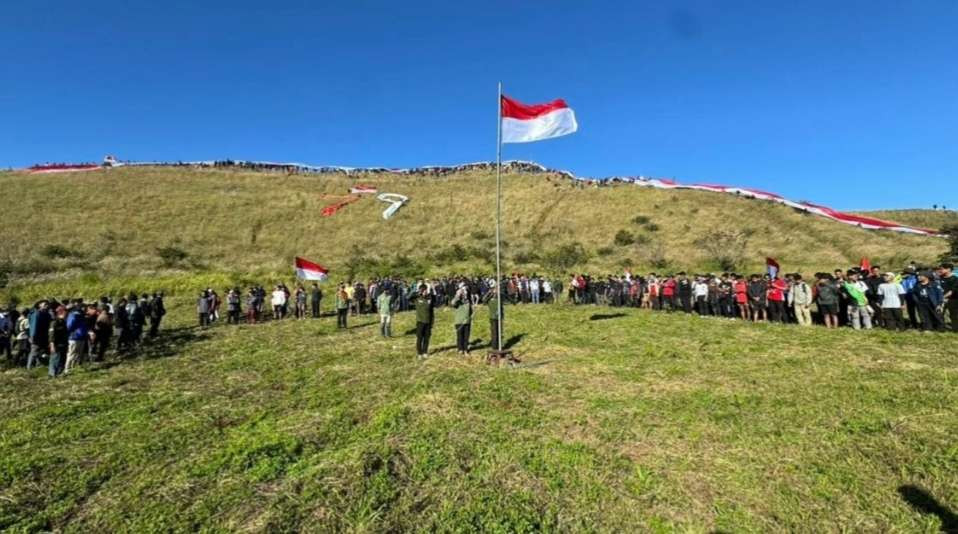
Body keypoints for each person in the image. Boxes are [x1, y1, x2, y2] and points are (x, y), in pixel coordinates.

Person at [27, 300, 52, 370]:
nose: (47, 305)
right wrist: (32, 336)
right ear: (39, 305)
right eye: (45, 304)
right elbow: (33, 326)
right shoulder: (36, 314)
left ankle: (39, 365)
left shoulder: (47, 314)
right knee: (34, 352)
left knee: (41, 352)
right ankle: (29, 367)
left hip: (44, 336)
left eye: (47, 304)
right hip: (37, 336)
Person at [64, 304, 89, 374]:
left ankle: (71, 368)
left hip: (77, 336)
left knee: (74, 353)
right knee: (73, 353)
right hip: (75, 336)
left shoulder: (76, 315)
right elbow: (69, 326)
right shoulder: (76, 315)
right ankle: (68, 368)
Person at [413, 284, 435, 359]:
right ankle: (419, 353)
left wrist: (432, 321)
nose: (425, 291)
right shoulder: (417, 298)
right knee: (419, 338)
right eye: (424, 290)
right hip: (420, 321)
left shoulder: (429, 298)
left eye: (426, 290)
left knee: (426, 338)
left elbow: (432, 311)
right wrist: (417, 293)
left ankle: (425, 352)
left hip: (428, 321)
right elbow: (408, 297)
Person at [451, 283, 473, 355]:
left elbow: (471, 311)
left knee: (466, 336)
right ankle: (460, 349)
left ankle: (465, 349)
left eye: (465, 291)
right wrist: (458, 296)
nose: (464, 293)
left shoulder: (468, 301)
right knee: (460, 336)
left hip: (467, 321)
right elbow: (453, 303)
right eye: (463, 291)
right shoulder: (458, 301)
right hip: (459, 321)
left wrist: (470, 317)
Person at [49, 306, 68, 377]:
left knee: (62, 359)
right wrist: (52, 345)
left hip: (63, 343)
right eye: (65, 312)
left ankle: (59, 372)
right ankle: (52, 374)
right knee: (55, 358)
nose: (67, 314)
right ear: (61, 312)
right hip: (57, 344)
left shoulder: (63, 322)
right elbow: (52, 335)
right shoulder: (54, 322)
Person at [939, 262, 958, 332]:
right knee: (939, 314)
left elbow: (951, 291)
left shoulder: (955, 279)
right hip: (942, 299)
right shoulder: (940, 278)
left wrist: (943, 297)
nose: (940, 270)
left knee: (954, 315)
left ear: (948, 269)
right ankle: (941, 328)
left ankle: (955, 329)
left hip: (953, 300)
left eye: (942, 269)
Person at [485, 281, 504, 352]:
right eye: (494, 289)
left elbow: (505, 297)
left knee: (500, 332)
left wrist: (499, 293)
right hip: (493, 317)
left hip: (500, 316)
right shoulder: (489, 298)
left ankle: (500, 345)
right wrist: (489, 293)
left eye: (497, 289)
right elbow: (484, 300)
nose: (496, 290)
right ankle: (494, 347)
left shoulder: (500, 297)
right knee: (494, 333)